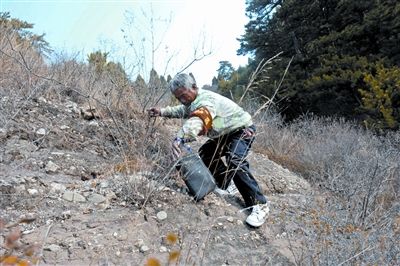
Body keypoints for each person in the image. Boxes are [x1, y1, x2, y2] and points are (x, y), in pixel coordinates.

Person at [148, 73, 270, 227]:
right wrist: (162, 112)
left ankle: (260, 205)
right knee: (206, 152)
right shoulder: (192, 101)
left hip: (242, 130)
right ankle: (227, 184)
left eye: (183, 96)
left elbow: (199, 118)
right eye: (178, 98)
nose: (182, 100)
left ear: (194, 87)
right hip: (226, 133)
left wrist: (180, 138)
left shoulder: (206, 101)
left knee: (235, 159)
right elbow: (183, 110)